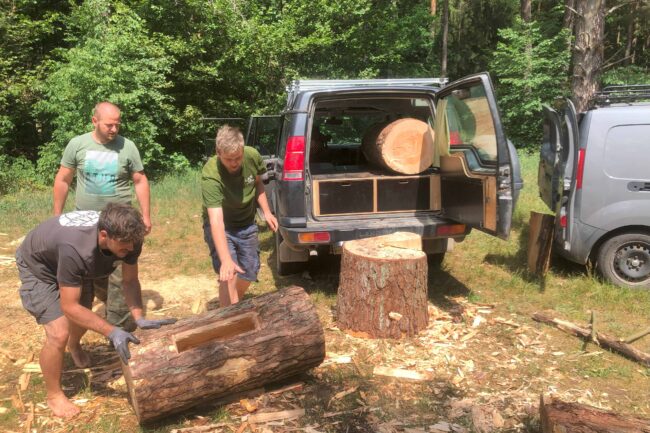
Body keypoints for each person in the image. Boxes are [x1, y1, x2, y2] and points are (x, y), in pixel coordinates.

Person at [15, 203, 176, 419]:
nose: (129, 251)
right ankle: (54, 395)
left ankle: (74, 345)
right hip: (39, 265)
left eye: (132, 247)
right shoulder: (76, 250)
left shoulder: (129, 239)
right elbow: (69, 307)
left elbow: (129, 281)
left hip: (70, 259)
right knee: (59, 332)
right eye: (124, 248)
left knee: (84, 315)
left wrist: (139, 317)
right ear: (104, 235)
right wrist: (112, 331)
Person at [52, 101, 151, 331]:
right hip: (86, 226)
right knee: (91, 277)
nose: (114, 130)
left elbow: (140, 180)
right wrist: (57, 217)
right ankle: (90, 317)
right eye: (109, 125)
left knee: (120, 275)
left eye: (117, 125)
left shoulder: (128, 147)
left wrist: (145, 215)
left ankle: (121, 330)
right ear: (94, 121)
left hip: (120, 226)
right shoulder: (77, 145)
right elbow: (63, 180)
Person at [201, 125, 278, 307]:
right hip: (223, 226)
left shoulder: (252, 156)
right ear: (218, 152)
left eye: (238, 158)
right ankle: (230, 319)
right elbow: (216, 220)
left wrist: (266, 212)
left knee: (250, 271)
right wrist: (226, 260)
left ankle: (232, 303)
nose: (234, 163)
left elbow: (258, 183)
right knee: (229, 273)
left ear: (243, 150)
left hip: (246, 222)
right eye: (229, 159)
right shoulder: (211, 174)